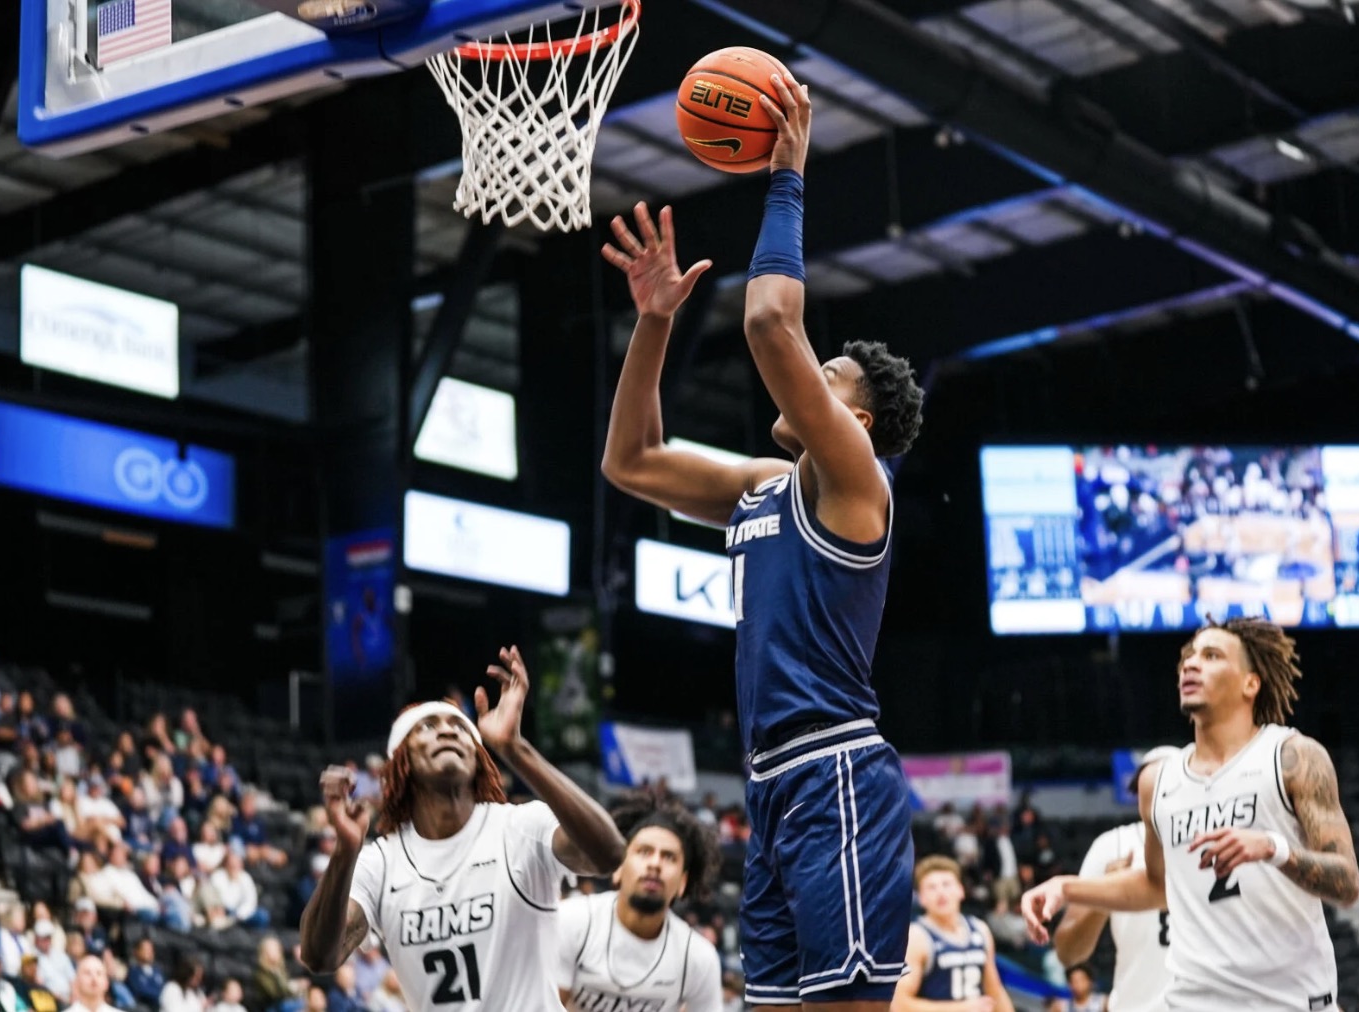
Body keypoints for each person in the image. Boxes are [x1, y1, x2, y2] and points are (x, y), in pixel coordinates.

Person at [600, 70, 923, 1012]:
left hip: (834, 770)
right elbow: (634, 460)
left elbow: (770, 317)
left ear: (854, 421)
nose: (803, 384)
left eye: (826, 380)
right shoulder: (760, 487)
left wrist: (787, 180)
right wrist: (653, 325)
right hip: (771, 787)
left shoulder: (859, 483)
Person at [1022, 619, 1359, 1011]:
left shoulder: (1291, 757)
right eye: (1188, 658)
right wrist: (1067, 888)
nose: (1191, 665)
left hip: (1289, 1001)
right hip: (1192, 1001)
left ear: (1250, 684)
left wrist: (1272, 847)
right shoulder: (1159, 781)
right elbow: (1155, 886)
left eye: (1212, 656)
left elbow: (1347, 883)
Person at [299, 646, 626, 1011]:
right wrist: (345, 852)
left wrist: (515, 749)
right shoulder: (381, 862)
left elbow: (609, 854)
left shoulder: (520, 827)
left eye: (459, 727)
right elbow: (319, 956)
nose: (447, 732)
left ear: (478, 760)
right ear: (401, 763)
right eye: (427, 727)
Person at [554, 797, 723, 1012]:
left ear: (682, 883)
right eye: (644, 852)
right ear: (618, 869)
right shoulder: (572, 920)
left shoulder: (699, 958)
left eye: (669, 857)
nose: (655, 864)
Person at [1052, 746, 1182, 1012]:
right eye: (1150, 784)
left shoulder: (1221, 835)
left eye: (1169, 781)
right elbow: (1068, 952)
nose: (1160, 791)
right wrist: (1107, 897)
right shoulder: (1112, 845)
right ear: (1137, 793)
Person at [893, 855, 1012, 1011]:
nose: (941, 892)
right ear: (922, 898)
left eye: (946, 884)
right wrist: (958, 1009)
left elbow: (995, 990)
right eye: (931, 887)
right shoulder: (917, 937)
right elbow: (899, 1005)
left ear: (961, 890)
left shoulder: (980, 929)